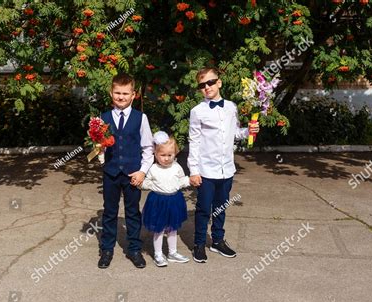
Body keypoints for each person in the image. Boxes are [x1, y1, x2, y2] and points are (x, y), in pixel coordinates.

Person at [188, 67, 259, 263]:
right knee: (203, 209)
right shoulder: (197, 111)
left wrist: (249, 131)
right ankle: (199, 243)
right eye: (202, 85)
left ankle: (217, 241)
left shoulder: (231, 107)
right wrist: (193, 171)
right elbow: (193, 142)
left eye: (210, 82)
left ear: (219, 82)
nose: (207, 87)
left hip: (227, 168)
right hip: (206, 170)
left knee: (221, 207)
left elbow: (235, 133)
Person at [98, 73, 154, 269]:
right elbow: (99, 147)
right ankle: (106, 249)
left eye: (125, 93)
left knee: (132, 212)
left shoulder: (141, 118)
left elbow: (148, 148)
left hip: (132, 174)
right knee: (110, 212)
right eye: (117, 93)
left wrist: (142, 172)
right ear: (111, 93)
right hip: (111, 173)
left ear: (133, 95)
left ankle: (134, 248)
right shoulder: (103, 118)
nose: (121, 97)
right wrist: (100, 155)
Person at [140, 131, 191, 267]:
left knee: (173, 229)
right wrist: (140, 183)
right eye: (163, 155)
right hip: (158, 202)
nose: (166, 158)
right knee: (159, 229)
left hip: (174, 201)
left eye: (170, 155)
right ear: (156, 155)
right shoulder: (153, 169)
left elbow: (180, 181)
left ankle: (172, 253)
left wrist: (189, 180)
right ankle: (158, 253)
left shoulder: (177, 167)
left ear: (175, 154)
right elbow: (146, 183)